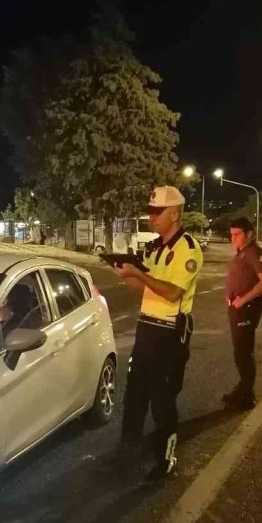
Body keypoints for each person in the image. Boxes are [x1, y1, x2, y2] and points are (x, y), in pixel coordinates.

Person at [111, 185, 203, 479]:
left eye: (157, 212)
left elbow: (173, 293)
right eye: (150, 212)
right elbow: (145, 290)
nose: (151, 217)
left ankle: (165, 461)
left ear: (174, 214)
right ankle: (127, 454)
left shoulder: (188, 249)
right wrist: (126, 274)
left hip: (170, 333)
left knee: (163, 401)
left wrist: (139, 273)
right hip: (147, 329)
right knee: (135, 395)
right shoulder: (156, 248)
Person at [222, 216, 262, 410]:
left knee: (244, 353)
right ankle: (243, 389)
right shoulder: (242, 252)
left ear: (249, 234)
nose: (233, 238)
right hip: (237, 309)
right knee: (240, 352)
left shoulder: (255, 253)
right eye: (231, 234)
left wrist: (242, 300)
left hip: (245, 310)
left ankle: (246, 395)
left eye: (237, 234)